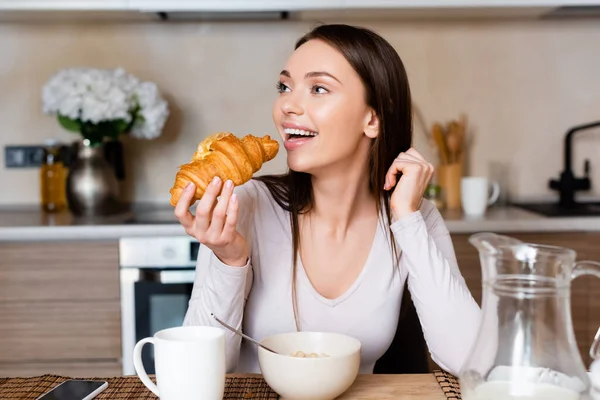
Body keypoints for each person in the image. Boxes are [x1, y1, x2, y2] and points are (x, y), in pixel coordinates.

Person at [175, 23, 481, 375]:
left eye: (318, 88)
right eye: (284, 86)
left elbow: (469, 361)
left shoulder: (413, 217)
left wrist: (406, 220)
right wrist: (229, 261)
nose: (287, 104)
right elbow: (197, 374)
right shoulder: (246, 206)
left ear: (373, 118)